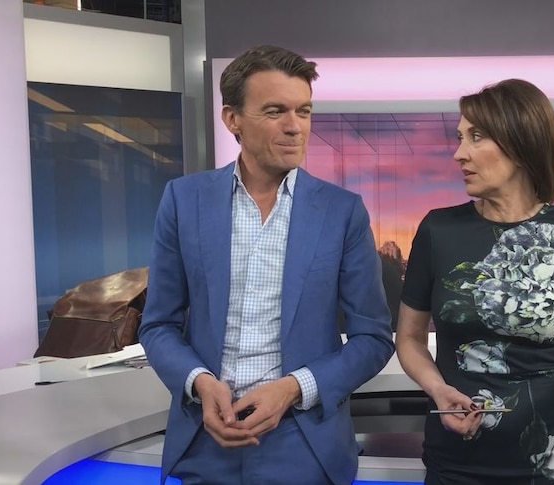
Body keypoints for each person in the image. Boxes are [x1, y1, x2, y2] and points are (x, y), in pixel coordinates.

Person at [139, 45, 394, 485]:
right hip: (205, 441)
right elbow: (157, 324)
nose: (295, 127)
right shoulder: (184, 200)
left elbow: (372, 337)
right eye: (275, 111)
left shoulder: (342, 211)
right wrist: (198, 381)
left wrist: (295, 388)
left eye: (304, 111)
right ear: (232, 119)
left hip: (305, 444)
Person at [395, 78, 554, 485]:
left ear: (520, 143)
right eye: (459, 138)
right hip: (457, 452)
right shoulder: (438, 229)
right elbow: (409, 339)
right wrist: (438, 390)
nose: (459, 153)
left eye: (475, 137)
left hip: (553, 454)